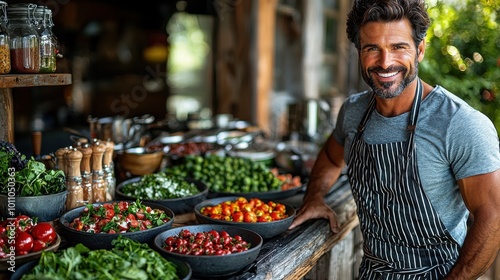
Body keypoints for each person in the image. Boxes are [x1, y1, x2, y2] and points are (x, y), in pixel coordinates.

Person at [288, 0, 500, 279]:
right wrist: (314, 196)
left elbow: (493, 215)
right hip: (373, 272)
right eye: (372, 48)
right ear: (359, 53)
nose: (385, 62)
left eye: (398, 47)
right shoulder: (353, 113)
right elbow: (329, 157)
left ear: (420, 50)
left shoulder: (459, 123)